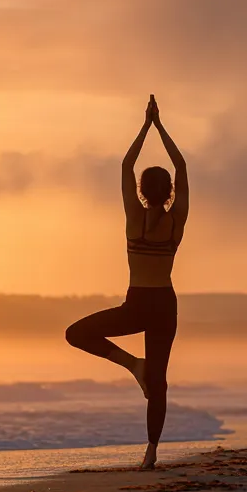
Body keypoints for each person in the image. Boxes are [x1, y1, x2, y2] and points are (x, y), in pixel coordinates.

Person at [65, 94, 188, 470]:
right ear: (169, 192)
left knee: (76, 333)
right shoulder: (175, 222)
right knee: (160, 381)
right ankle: (151, 452)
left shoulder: (134, 220)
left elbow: (125, 164)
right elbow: (181, 165)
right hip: (164, 305)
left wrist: (145, 124)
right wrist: (160, 125)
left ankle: (132, 364)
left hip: (136, 305)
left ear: (140, 191)